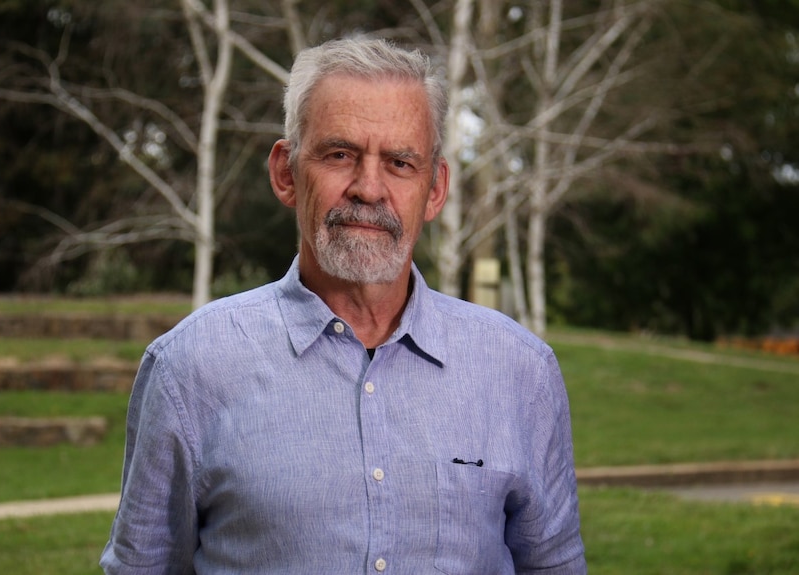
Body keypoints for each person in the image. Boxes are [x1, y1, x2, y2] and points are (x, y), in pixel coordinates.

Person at [101, 36, 586, 575]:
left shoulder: (520, 370)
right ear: (286, 172)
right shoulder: (189, 369)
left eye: (401, 162)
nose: (369, 188)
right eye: (339, 155)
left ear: (435, 190)